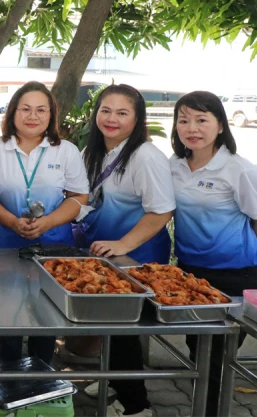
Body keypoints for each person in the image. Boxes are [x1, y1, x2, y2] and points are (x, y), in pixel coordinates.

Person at [170, 91, 257, 416]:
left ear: (221, 125)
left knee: (217, 357)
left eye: (201, 120)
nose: (192, 128)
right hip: (190, 273)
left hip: (235, 276)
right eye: (184, 120)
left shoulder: (239, 170)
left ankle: (211, 409)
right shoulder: (173, 167)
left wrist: (256, 257)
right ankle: (204, 402)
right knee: (195, 346)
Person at [79, 84, 175, 417]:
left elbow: (162, 211)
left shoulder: (145, 156)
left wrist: (123, 245)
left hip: (138, 255)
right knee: (110, 324)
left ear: (137, 119)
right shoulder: (93, 152)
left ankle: (137, 405)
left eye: (122, 113)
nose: (111, 119)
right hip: (105, 254)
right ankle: (114, 380)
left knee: (125, 330)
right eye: (105, 110)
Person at [0, 81, 89, 366]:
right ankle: (10, 378)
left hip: (55, 248)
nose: (33, 116)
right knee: (6, 317)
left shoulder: (65, 151)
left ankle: (41, 377)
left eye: (41, 110)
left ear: (52, 115)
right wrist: (12, 221)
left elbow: (79, 195)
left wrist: (49, 222)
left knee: (47, 316)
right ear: (13, 112)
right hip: (6, 246)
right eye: (26, 109)